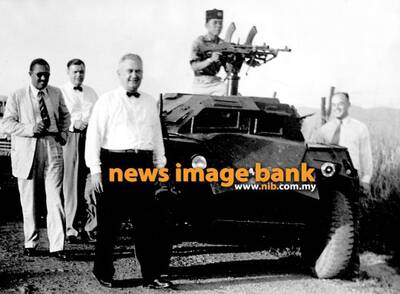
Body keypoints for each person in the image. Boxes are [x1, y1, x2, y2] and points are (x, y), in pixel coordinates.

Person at [85, 53, 172, 289]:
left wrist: (160, 170)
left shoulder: (149, 101)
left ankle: (151, 274)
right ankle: (102, 271)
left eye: (139, 71)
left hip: (143, 166)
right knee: (109, 225)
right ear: (119, 74)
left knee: (147, 225)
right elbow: (93, 136)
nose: (135, 76)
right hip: (114, 164)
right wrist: (95, 171)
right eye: (130, 71)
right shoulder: (106, 100)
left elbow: (156, 139)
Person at [1, 58, 70, 259]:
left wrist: (63, 135)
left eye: (46, 74)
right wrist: (30, 129)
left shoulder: (56, 93)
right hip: (27, 149)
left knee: (55, 198)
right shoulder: (17, 95)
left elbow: (66, 117)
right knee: (28, 198)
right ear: (30, 74)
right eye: (39, 74)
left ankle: (57, 246)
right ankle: (30, 243)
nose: (43, 78)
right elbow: (7, 124)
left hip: (52, 147)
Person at [60, 59, 98, 243]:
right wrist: (73, 123)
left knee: (92, 182)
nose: (78, 75)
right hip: (72, 138)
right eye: (75, 72)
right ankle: (72, 229)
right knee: (72, 183)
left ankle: (91, 227)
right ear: (68, 72)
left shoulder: (91, 92)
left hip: (90, 138)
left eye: (81, 72)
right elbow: (58, 117)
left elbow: (98, 114)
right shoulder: (61, 92)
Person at [311, 92, 373, 192]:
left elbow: (365, 156)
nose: (337, 108)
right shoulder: (324, 130)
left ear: (348, 104)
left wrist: (366, 179)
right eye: (334, 105)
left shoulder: (360, 128)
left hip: (351, 179)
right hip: (326, 178)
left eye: (340, 104)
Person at [190, 9, 228, 95]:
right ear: (206, 25)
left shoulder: (223, 44)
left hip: (216, 83)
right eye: (215, 22)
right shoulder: (199, 42)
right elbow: (194, 66)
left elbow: (228, 68)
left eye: (220, 23)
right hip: (200, 85)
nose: (218, 26)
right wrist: (210, 60)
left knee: (230, 94)